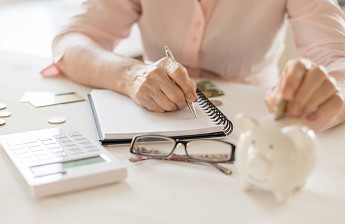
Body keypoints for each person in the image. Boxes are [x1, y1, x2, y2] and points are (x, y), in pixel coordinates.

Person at [43, 0, 345, 132]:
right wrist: (131, 75)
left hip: (252, 129)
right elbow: (72, 42)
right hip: (153, 128)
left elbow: (339, 58)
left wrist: (328, 96)